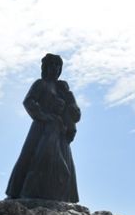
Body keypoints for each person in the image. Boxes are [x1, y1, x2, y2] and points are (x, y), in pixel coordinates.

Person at [6, 53, 81, 202]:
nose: (55, 69)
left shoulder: (62, 89)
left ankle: (61, 196)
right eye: (51, 65)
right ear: (45, 67)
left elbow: (75, 115)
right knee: (35, 159)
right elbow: (29, 101)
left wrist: (70, 102)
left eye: (58, 66)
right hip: (41, 129)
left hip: (60, 132)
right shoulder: (40, 84)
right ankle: (27, 192)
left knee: (62, 163)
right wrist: (43, 116)